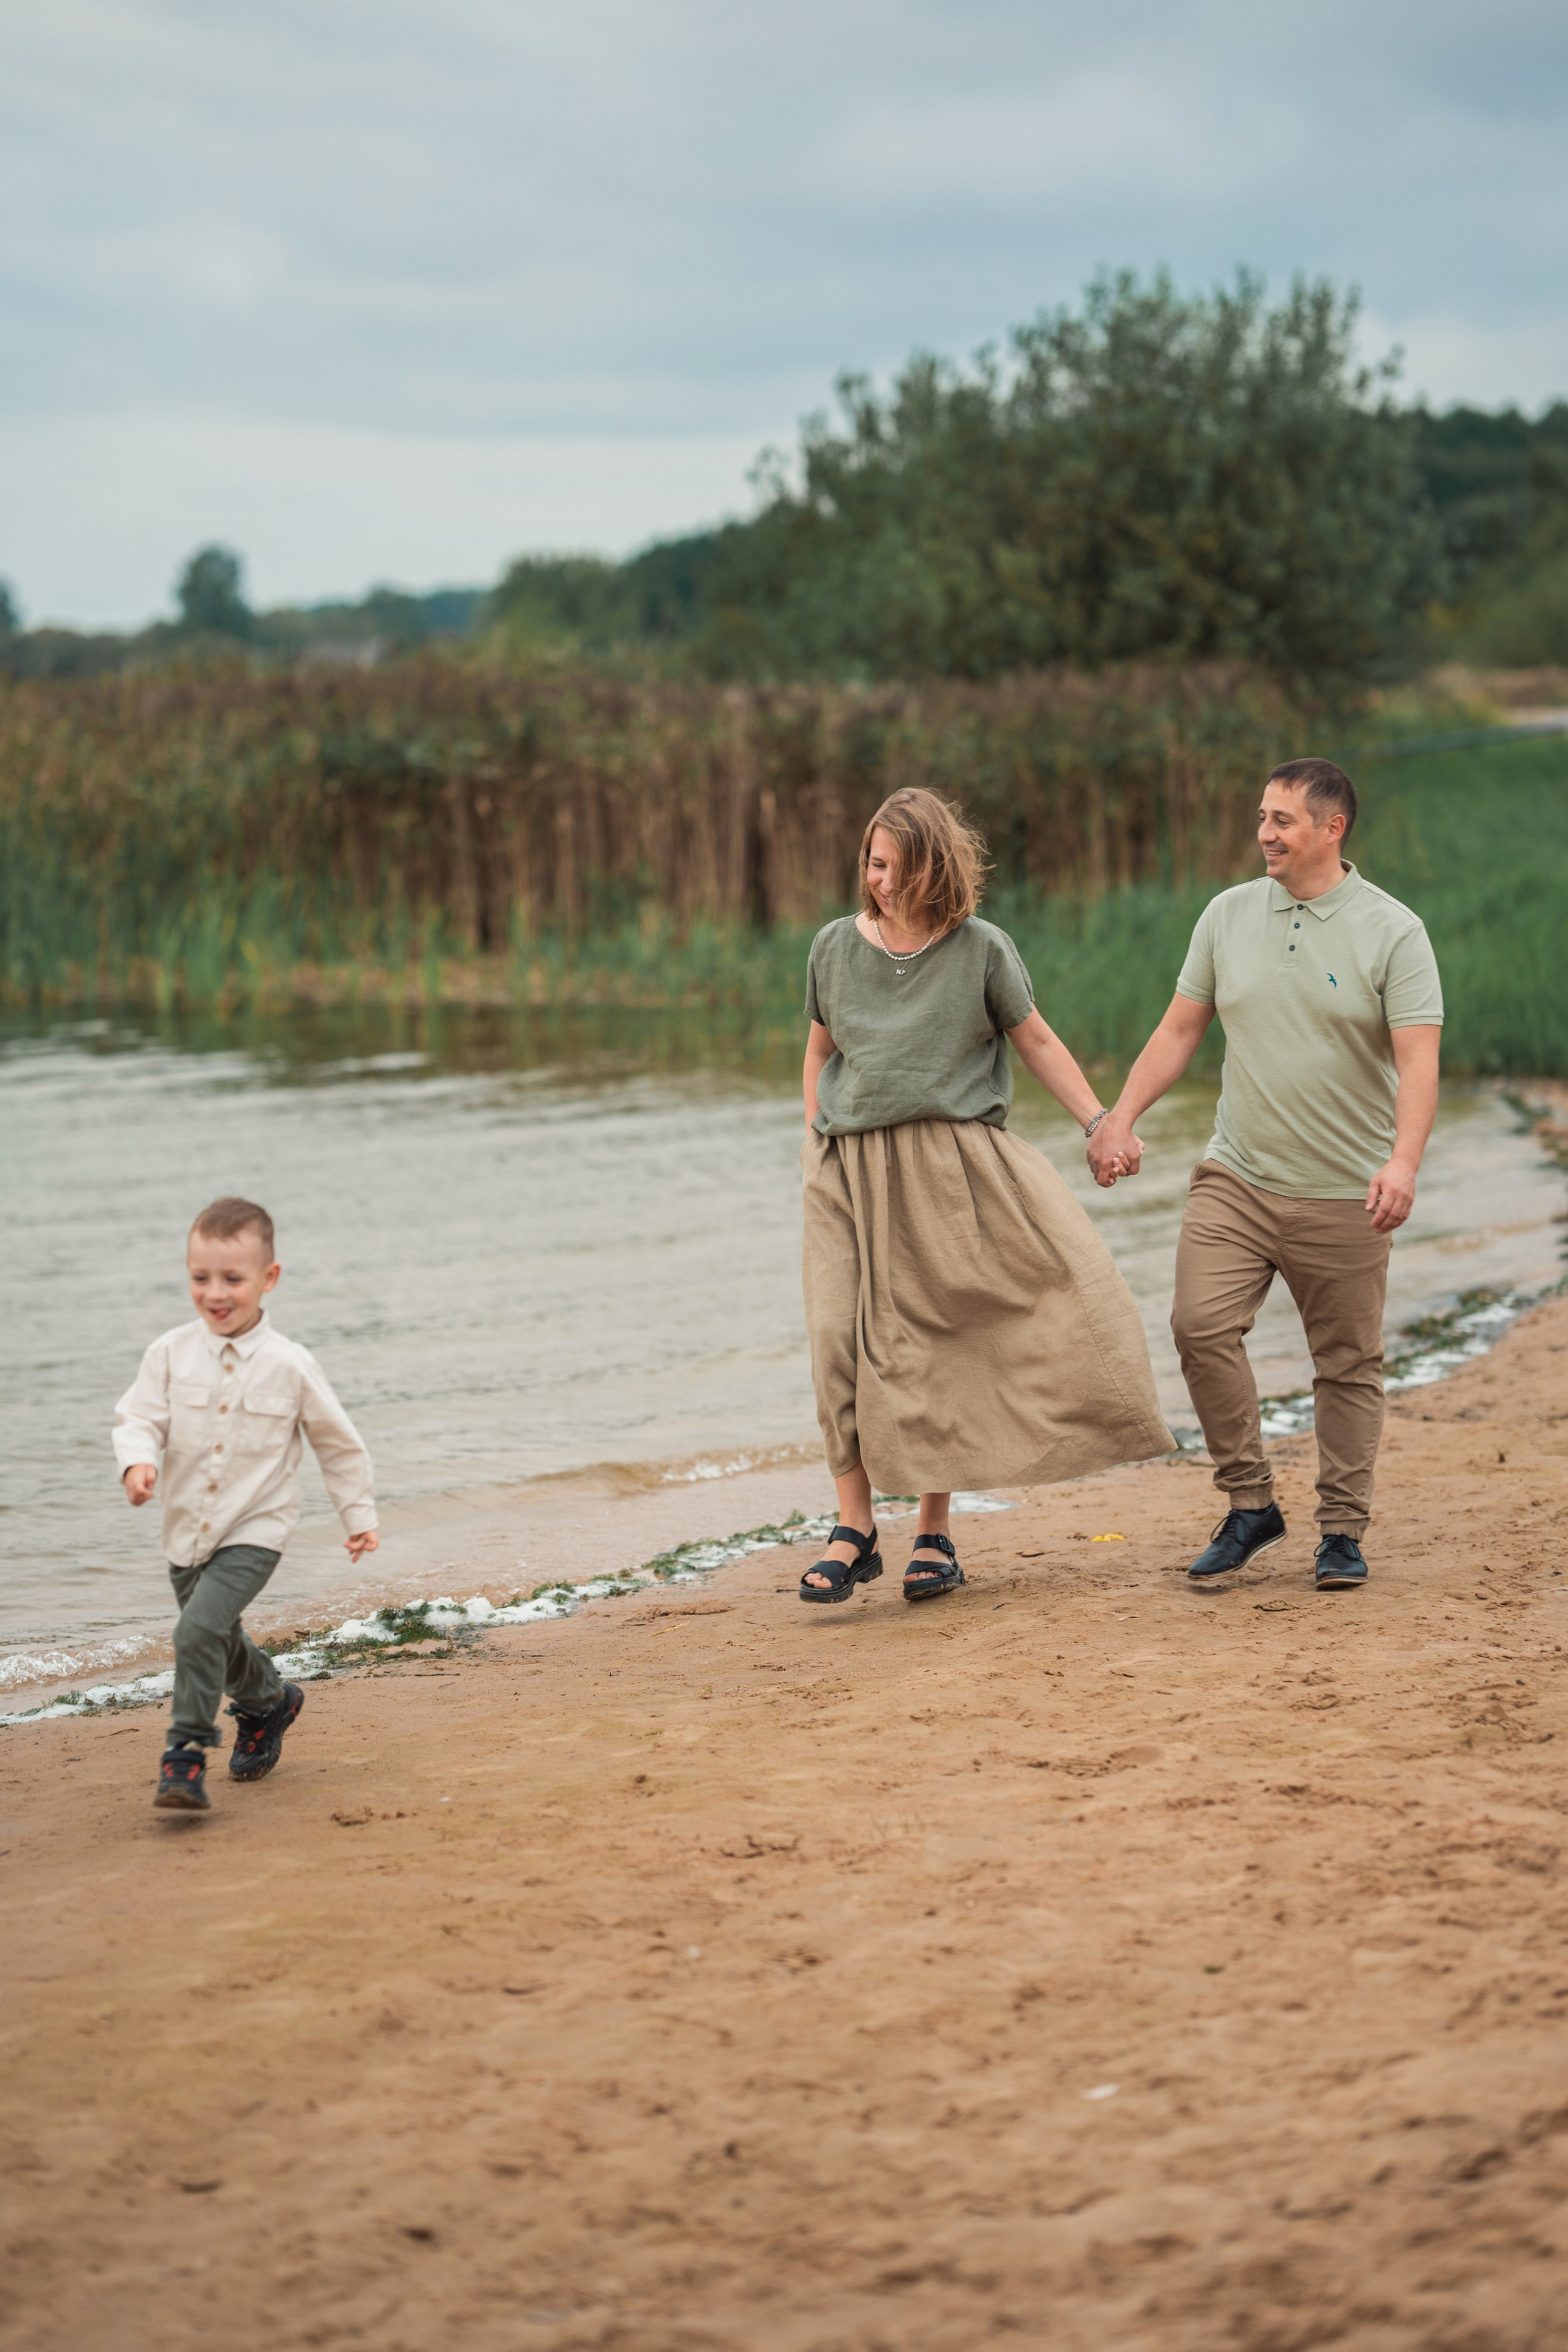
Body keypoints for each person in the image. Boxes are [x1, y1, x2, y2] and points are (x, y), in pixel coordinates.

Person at [798, 787, 1172, 1605]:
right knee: (835, 1338)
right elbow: (819, 1050)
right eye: (871, 862)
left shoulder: (981, 950)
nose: (878, 879)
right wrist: (813, 1144)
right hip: (849, 1169)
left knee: (944, 1345)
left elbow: (1034, 1038)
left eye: (892, 865)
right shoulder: (832, 947)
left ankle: (933, 1533)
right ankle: (855, 1525)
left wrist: (1101, 1123)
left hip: (950, 1167)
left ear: (931, 866)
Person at [1088, 758, 1442, 1591]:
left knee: (1348, 1364)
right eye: (1261, 817)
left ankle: (1342, 1532)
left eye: (1282, 820)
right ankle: (1251, 1504)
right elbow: (1180, 1030)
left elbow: (1418, 1062)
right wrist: (1121, 1116)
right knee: (1198, 1326)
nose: (1264, 834)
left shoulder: (1395, 931)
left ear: (1332, 828)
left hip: (1345, 1191)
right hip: (1237, 1176)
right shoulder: (1228, 914)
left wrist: (1403, 1162)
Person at [114, 1196, 379, 1812]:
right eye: (201, 1278)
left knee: (195, 1633)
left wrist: (358, 1516)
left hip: (256, 1529)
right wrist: (138, 1461)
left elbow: (337, 1445)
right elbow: (138, 1416)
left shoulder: (290, 1364)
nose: (215, 1293)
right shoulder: (169, 1354)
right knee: (216, 1635)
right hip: (185, 1531)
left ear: (269, 1279)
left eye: (232, 1279)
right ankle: (269, 1702)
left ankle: (184, 1755)